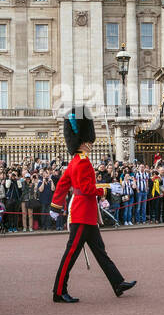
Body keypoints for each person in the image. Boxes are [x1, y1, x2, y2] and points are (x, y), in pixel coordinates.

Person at [50, 106, 135, 302]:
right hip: (81, 214)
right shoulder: (82, 162)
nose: (91, 144)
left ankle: (118, 283)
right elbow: (86, 189)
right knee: (70, 255)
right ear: (83, 141)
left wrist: (55, 206)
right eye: (89, 141)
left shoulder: (76, 161)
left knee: (100, 252)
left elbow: (63, 185)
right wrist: (106, 190)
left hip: (86, 214)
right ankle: (59, 291)